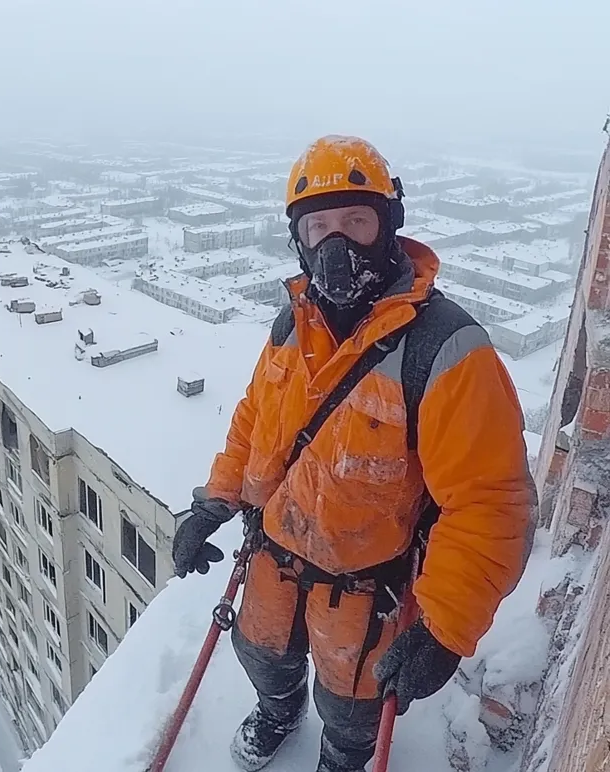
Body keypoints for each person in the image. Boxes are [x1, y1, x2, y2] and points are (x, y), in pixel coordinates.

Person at [171, 135, 534, 772]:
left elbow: (489, 503)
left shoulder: (445, 352)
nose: (336, 247)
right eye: (319, 228)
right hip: (272, 560)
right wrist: (215, 501)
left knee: (351, 707)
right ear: (300, 241)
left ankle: (340, 757)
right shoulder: (292, 326)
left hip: (367, 591)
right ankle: (278, 713)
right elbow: (254, 424)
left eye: (355, 223)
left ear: (388, 227)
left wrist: (445, 628)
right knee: (262, 656)